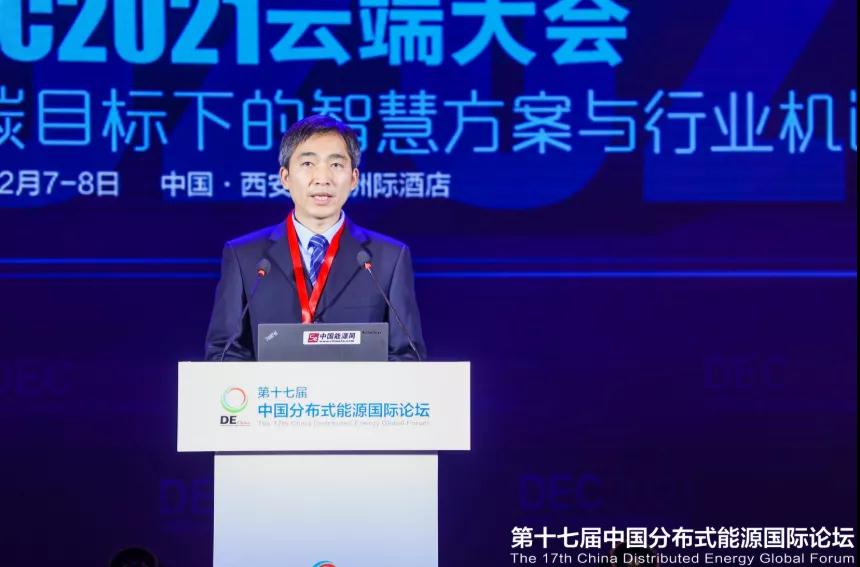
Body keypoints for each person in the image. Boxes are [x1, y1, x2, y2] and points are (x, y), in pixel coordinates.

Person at [204, 115, 427, 361]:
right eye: (308, 163)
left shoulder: (389, 258)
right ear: (285, 177)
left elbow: (407, 355)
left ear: (354, 178)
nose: (322, 178)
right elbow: (223, 354)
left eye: (336, 164)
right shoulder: (244, 255)